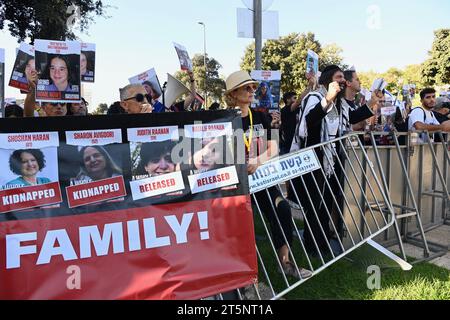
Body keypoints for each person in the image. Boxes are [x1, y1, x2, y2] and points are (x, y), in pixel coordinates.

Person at [225, 70, 312, 279]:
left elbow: (273, 147)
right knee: (237, 223)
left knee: (282, 209)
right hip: (235, 183)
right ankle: (235, 273)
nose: (252, 90)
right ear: (233, 94)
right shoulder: (224, 119)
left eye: (253, 86)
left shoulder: (261, 116)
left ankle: (286, 263)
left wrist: (258, 161)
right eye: (247, 87)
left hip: (260, 178)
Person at [291, 65, 381, 258]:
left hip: (330, 160)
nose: (343, 81)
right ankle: (312, 245)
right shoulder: (315, 97)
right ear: (328, 80)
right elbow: (309, 121)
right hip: (313, 159)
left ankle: (323, 242)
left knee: (325, 203)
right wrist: (328, 98)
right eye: (339, 77)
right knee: (315, 204)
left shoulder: (339, 103)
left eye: (343, 77)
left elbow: (352, 119)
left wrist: (372, 103)